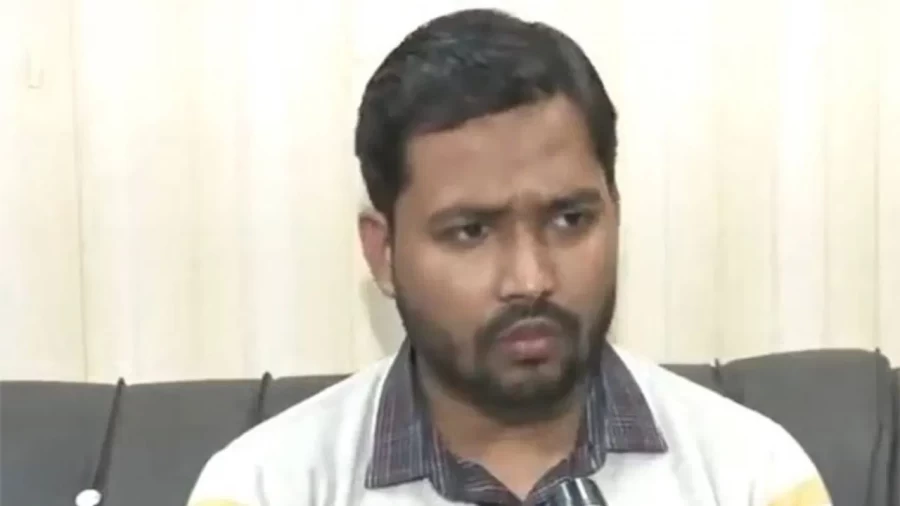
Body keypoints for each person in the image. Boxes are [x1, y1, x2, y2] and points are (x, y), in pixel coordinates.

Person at [187, 8, 831, 506]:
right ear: (383, 253)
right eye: (471, 231)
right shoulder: (263, 488)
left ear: (615, 214)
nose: (531, 279)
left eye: (570, 219)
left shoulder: (754, 478)